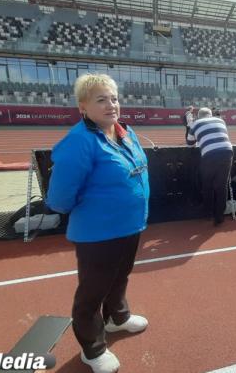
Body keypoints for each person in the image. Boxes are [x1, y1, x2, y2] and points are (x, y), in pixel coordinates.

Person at [47, 73, 150, 373]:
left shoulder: (124, 133)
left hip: (130, 226)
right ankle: (92, 349)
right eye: (101, 100)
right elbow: (60, 197)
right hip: (98, 233)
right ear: (83, 107)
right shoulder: (78, 142)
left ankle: (117, 317)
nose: (111, 105)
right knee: (92, 292)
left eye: (114, 98)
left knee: (120, 277)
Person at [189, 107, 233, 226]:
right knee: (221, 187)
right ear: (210, 114)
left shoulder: (195, 123)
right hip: (227, 152)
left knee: (207, 185)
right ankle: (219, 216)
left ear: (199, 116)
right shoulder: (220, 120)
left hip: (209, 154)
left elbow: (190, 142)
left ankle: (208, 213)